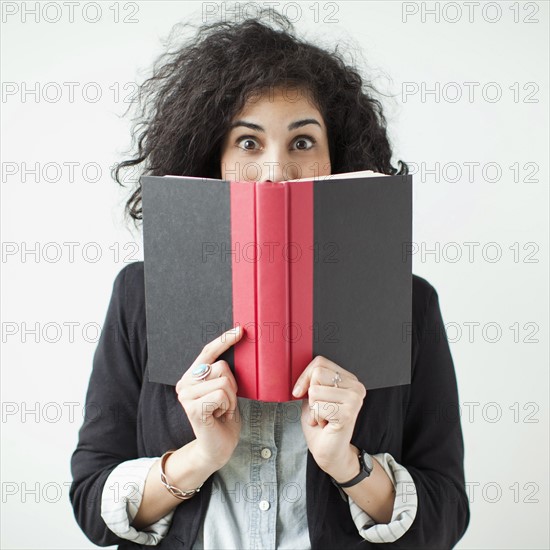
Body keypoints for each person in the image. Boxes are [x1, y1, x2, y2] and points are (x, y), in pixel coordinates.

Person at [69, 11, 470, 549]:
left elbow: (446, 518)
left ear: (336, 159)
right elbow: (92, 506)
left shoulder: (406, 302)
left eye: (302, 142)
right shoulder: (141, 296)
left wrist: (347, 464)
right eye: (249, 143)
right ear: (212, 157)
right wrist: (200, 456)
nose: (276, 170)